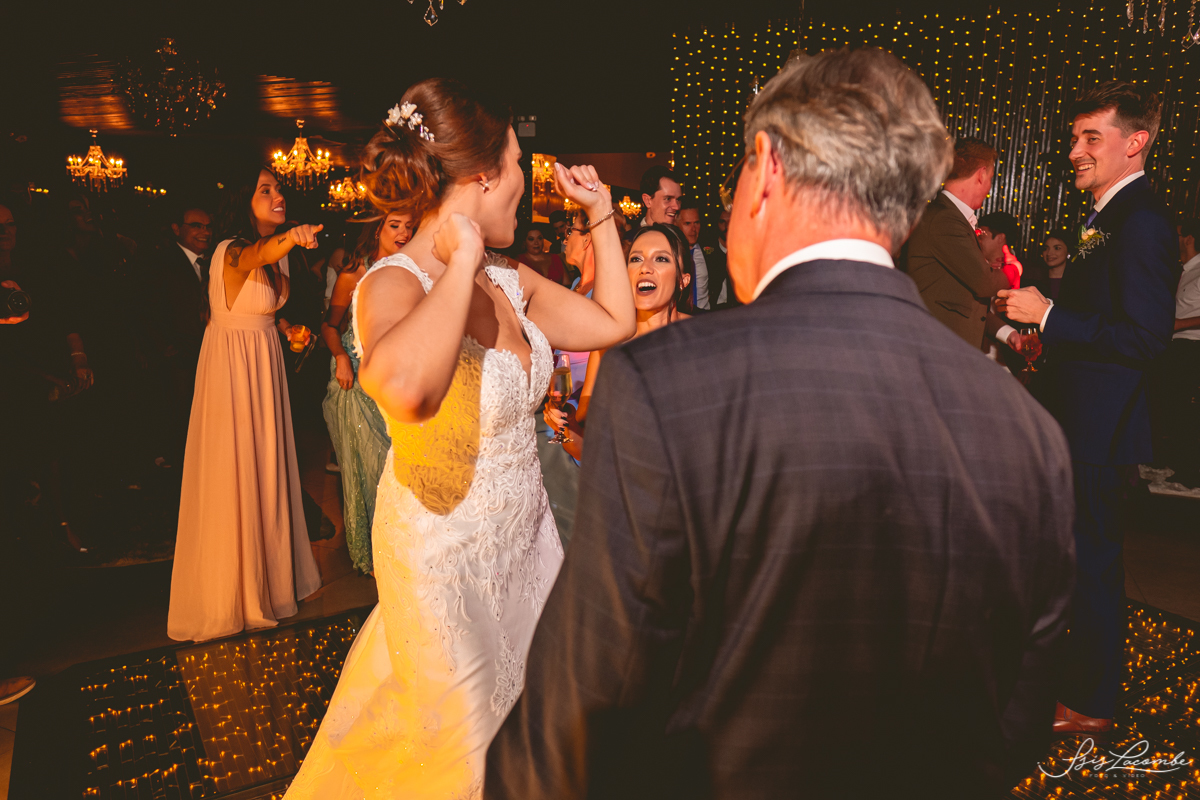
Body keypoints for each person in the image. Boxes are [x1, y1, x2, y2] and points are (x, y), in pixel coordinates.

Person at [486, 48, 1075, 800]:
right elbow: (1015, 718)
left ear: (765, 168)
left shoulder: (672, 388)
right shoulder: (1030, 433)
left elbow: (587, 702)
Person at [284, 77, 635, 800]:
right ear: (484, 176)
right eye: (517, 164)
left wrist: (600, 211)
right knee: (470, 754)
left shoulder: (512, 278)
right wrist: (462, 262)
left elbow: (613, 323)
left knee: (540, 733)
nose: (525, 185)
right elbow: (409, 393)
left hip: (528, 542)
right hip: (443, 559)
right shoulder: (393, 282)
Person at [997, 81, 1177, 734]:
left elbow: (1146, 337)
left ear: (1136, 142)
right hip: (1077, 417)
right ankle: (1069, 680)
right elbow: (1102, 315)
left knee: (1094, 565)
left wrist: (1050, 315)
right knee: (1072, 561)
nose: (1074, 150)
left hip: (1102, 426)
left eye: (1090, 137)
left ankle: (1091, 704)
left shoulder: (1142, 219)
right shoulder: (1105, 216)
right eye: (1074, 137)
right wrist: (1048, 334)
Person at [167, 168, 324, 642]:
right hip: (233, 370)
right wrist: (292, 236)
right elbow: (256, 257)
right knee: (234, 469)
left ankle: (272, 582)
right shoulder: (231, 249)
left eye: (279, 189)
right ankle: (231, 592)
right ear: (243, 200)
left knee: (266, 468)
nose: (278, 196)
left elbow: (257, 306)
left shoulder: (274, 255)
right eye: (265, 190)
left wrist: (287, 329)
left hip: (264, 361)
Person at [543, 223, 693, 459]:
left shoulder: (701, 339)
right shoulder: (609, 342)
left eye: (661, 259)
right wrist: (566, 425)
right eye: (636, 259)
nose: (645, 268)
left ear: (683, 280)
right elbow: (587, 448)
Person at [320, 211, 414, 575]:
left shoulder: (410, 269)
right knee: (372, 467)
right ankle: (377, 553)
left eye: (409, 226)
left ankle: (403, 546)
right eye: (395, 225)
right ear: (377, 229)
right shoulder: (354, 272)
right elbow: (330, 326)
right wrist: (341, 358)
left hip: (399, 377)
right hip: (357, 380)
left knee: (401, 466)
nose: (404, 232)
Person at [898, 137, 1010, 349]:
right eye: (990, 179)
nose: (989, 188)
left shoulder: (948, 217)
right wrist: (1012, 270)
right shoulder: (945, 219)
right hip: (937, 345)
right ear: (981, 175)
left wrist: (1009, 334)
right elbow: (984, 282)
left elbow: (960, 297)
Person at [147, 202, 212, 468]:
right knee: (178, 421)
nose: (205, 232)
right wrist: (165, 347)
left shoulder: (211, 263)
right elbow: (146, 308)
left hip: (207, 354)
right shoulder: (161, 262)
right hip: (178, 359)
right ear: (176, 228)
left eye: (208, 227)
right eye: (196, 226)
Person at [1157, 217, 1200, 488]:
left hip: (1192, 346)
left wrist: (1177, 324)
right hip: (1173, 345)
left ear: (1189, 239)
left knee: (1185, 410)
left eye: (1177, 235)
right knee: (1172, 407)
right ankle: (1175, 465)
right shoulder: (1182, 270)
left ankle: (1190, 475)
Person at [676, 197, 730, 311]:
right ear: (676, 223)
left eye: (696, 223)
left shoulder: (709, 249)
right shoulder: (671, 252)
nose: (693, 229)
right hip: (680, 316)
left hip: (706, 315)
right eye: (687, 223)